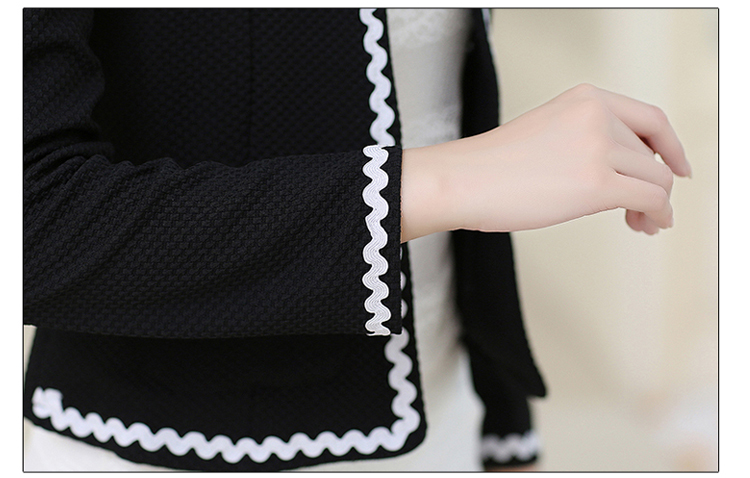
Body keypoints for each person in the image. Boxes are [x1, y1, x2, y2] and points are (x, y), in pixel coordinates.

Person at [22, 8, 690, 472]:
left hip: (443, 419)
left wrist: (501, 430)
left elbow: (433, 102)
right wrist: (450, 179)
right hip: (172, 449)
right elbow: (32, 224)